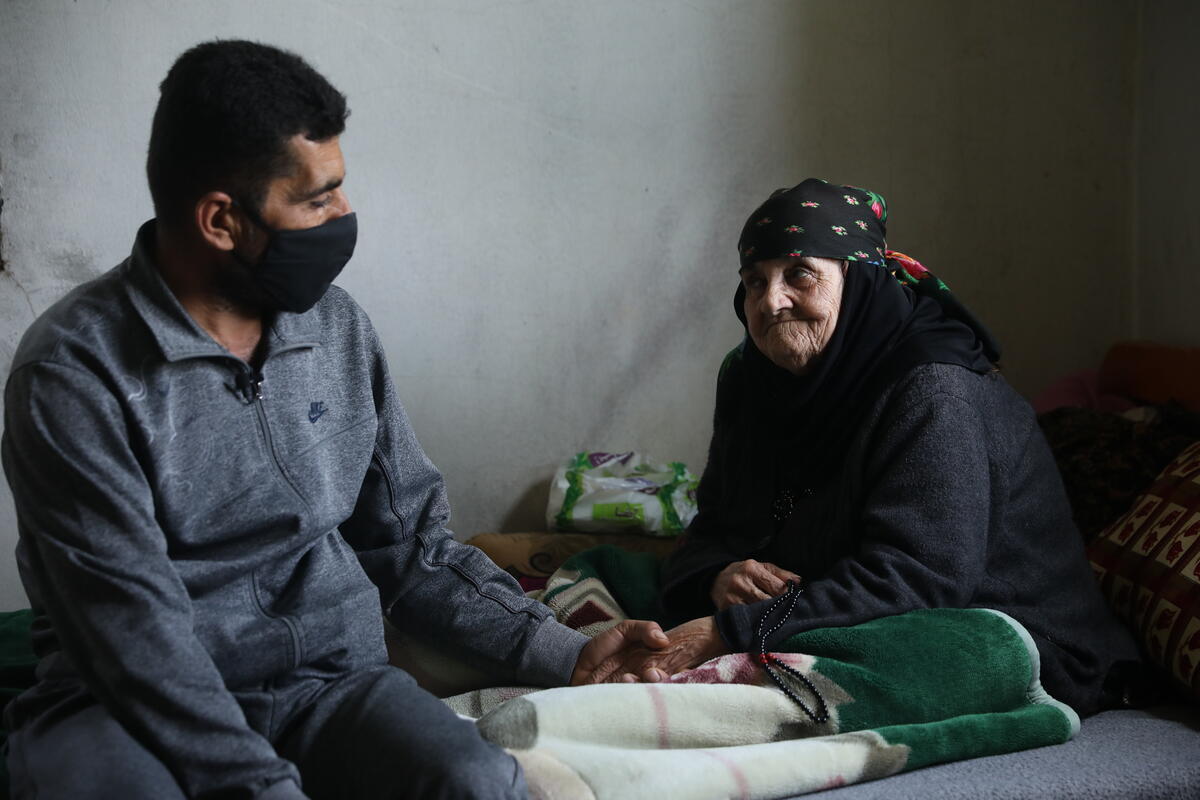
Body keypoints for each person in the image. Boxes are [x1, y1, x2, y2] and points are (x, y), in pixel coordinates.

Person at [1, 40, 667, 800]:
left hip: (319, 685)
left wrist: (562, 651)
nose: (344, 216)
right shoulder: (75, 372)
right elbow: (134, 640)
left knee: (479, 785)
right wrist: (261, 787)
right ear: (221, 219)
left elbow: (410, 547)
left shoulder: (336, 331)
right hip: (120, 707)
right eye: (317, 198)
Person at [611, 178, 1142, 716]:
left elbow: (918, 577)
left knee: (855, 666)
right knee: (618, 573)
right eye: (754, 282)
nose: (771, 301)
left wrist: (730, 631)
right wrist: (718, 575)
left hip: (997, 631)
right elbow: (715, 526)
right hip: (838, 605)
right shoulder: (750, 379)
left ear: (859, 280)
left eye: (799, 274)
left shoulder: (933, 388)